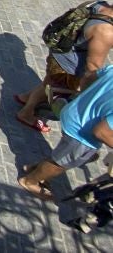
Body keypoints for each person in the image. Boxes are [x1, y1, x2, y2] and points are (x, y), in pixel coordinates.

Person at [15, 0, 113, 132]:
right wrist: (85, 96)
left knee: (49, 82)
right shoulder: (106, 32)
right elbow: (92, 68)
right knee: (52, 90)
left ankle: (26, 98)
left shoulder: (97, 3)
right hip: (69, 65)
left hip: (60, 50)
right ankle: (26, 113)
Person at [18, 65, 113, 200]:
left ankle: (34, 168)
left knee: (63, 154)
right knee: (60, 164)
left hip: (73, 111)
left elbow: (87, 77)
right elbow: (101, 132)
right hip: (81, 133)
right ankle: (30, 181)